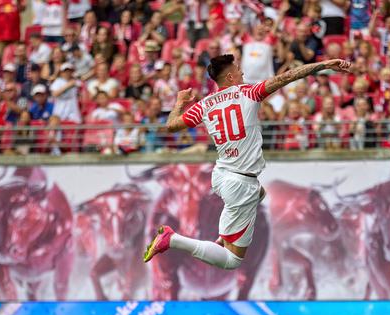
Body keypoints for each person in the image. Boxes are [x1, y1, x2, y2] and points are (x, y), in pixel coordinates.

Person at [143, 54, 351, 269]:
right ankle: (172, 239)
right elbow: (286, 77)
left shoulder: (204, 104)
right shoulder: (248, 93)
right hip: (240, 183)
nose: (243, 73)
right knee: (232, 261)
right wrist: (323, 65)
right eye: (239, 70)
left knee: (260, 193)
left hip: (222, 174)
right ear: (231, 77)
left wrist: (179, 103)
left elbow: (171, 126)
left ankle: (225, 235)